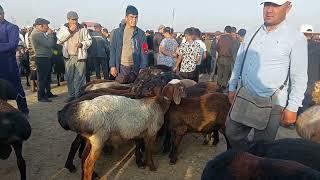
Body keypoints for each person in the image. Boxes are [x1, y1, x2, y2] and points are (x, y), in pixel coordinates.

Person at [226, 0, 308, 150]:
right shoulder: (252, 32)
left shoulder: (296, 38)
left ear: (288, 8)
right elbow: (239, 62)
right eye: (266, 5)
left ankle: (253, 165)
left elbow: (299, 76)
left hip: (273, 102)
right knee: (231, 132)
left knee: (262, 146)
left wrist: (293, 107)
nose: (269, 10)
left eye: (276, 5)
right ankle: (243, 159)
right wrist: (232, 87)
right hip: (244, 94)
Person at [57, 11, 92, 102]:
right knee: (69, 77)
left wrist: (82, 44)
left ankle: (78, 95)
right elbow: (59, 40)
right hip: (68, 57)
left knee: (79, 77)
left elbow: (89, 41)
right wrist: (70, 31)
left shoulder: (82, 29)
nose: (75, 21)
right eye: (73, 20)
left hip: (80, 56)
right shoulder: (64, 28)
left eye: (76, 19)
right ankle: (71, 95)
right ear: (68, 20)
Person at [0, 5, 29, 115]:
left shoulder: (11, 27)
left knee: (17, 88)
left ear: (2, 13)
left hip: (9, 65)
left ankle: (24, 111)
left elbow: (12, 45)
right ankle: (3, 113)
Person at [110, 5, 148, 84]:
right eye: (131, 17)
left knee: (133, 91)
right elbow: (113, 50)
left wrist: (143, 67)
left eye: (136, 17)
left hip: (135, 68)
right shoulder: (117, 32)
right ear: (126, 18)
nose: (134, 20)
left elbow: (145, 51)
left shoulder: (141, 34)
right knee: (120, 91)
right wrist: (112, 65)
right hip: (121, 67)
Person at [30, 18, 57, 102]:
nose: (48, 27)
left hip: (45, 57)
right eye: (46, 25)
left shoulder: (40, 33)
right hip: (42, 58)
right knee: (42, 78)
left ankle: (47, 93)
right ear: (41, 25)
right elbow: (49, 44)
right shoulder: (37, 34)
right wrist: (50, 35)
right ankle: (41, 96)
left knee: (47, 77)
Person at [216, 26, 234, 92]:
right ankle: (223, 86)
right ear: (230, 31)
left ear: (225, 30)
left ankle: (218, 85)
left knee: (220, 72)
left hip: (220, 57)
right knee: (226, 73)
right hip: (228, 58)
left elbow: (217, 47)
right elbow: (232, 49)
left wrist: (220, 52)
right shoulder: (232, 38)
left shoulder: (221, 38)